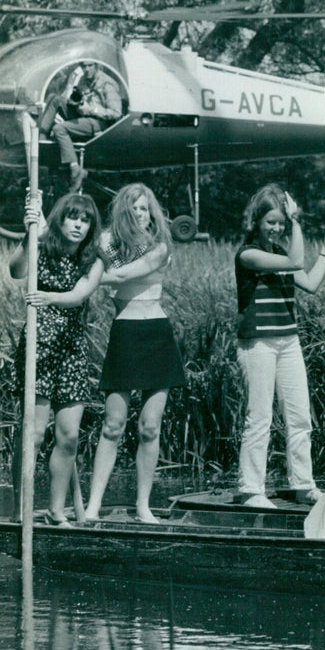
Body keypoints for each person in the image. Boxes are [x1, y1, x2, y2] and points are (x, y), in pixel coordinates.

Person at [235, 183, 325, 509]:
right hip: (259, 344)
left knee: (299, 417)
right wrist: (297, 221)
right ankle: (251, 489)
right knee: (260, 417)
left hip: (288, 340)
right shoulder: (248, 254)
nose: (277, 228)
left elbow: (308, 282)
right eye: (271, 222)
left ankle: (302, 484)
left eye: (281, 222)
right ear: (257, 222)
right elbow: (297, 262)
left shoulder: (280, 254)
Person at [83, 183, 186, 524]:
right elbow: (92, 255)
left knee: (150, 427)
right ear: (123, 213)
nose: (140, 215)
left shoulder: (159, 246)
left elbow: (125, 273)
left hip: (157, 331)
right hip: (125, 332)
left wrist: (91, 278)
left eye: (144, 208)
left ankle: (143, 506)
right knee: (112, 425)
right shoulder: (107, 242)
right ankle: (93, 506)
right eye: (133, 209)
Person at [10, 190, 105, 525]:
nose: (78, 225)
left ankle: (55, 510)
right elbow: (16, 270)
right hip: (39, 346)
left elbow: (78, 296)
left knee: (69, 436)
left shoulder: (93, 261)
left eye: (85, 220)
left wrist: (46, 297)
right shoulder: (43, 245)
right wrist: (29, 232)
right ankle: (20, 510)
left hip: (71, 351)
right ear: (60, 219)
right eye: (72, 217)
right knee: (33, 434)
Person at [39, 61, 123, 191]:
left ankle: (75, 168)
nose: (87, 69)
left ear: (97, 66)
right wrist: (74, 103)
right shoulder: (83, 80)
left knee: (59, 129)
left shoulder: (107, 84)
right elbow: (78, 99)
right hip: (83, 117)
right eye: (84, 66)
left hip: (99, 122)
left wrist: (91, 110)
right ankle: (42, 138)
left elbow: (117, 114)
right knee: (55, 99)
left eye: (90, 66)